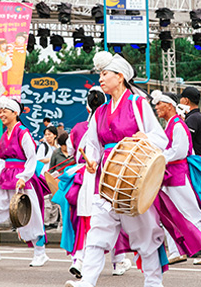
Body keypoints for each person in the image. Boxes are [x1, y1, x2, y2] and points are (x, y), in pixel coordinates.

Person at [65, 51, 172, 287]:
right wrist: (91, 159)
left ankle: (154, 282)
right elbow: (91, 144)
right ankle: (87, 281)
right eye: (100, 75)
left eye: (105, 74)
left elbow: (160, 138)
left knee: (145, 233)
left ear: (120, 77)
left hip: (134, 178)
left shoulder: (137, 104)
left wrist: (145, 138)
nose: (100, 79)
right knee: (97, 232)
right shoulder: (100, 111)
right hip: (107, 179)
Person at [63, 86, 132, 279]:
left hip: (86, 175)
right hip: (110, 171)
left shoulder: (77, 128)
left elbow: (70, 151)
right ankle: (117, 260)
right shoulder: (113, 123)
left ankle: (79, 259)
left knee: (85, 219)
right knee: (113, 216)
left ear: (87, 107)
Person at [0, 96, 49, 267]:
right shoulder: (2, 136)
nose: (1, 114)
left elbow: (32, 158)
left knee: (30, 216)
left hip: (21, 179)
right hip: (5, 178)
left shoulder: (23, 132)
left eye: (4, 111)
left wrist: (24, 177)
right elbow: (2, 161)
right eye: (0, 112)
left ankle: (40, 253)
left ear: (15, 113)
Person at [151, 90, 201, 266]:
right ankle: (175, 252)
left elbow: (180, 151)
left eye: (159, 103)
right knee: (168, 213)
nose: (156, 107)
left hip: (178, 176)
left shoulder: (177, 125)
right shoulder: (171, 124)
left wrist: (159, 158)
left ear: (169, 105)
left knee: (191, 214)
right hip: (170, 176)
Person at [180, 87, 201, 156]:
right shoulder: (199, 116)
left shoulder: (193, 118)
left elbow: (186, 141)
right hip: (200, 159)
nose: (180, 100)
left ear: (186, 101)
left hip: (194, 160)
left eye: (181, 98)